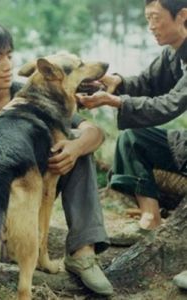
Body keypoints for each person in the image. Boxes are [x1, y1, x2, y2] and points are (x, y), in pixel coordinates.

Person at [0, 22, 113, 296]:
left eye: (10, 56)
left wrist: (75, 147)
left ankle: (83, 251)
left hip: (24, 190)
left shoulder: (36, 93)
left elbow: (94, 132)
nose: (6, 65)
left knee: (75, 149)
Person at [77, 0, 187, 289]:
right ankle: (150, 219)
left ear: (182, 16)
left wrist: (115, 101)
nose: (150, 26)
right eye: (147, 19)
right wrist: (114, 83)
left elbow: (169, 105)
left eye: (155, 18)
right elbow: (148, 83)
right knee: (132, 138)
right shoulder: (173, 55)